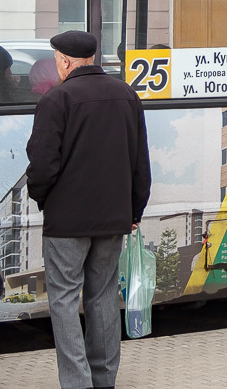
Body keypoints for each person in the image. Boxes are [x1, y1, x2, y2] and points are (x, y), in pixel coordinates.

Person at [26, 31, 151, 389]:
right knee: (103, 296)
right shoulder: (127, 95)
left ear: (64, 61)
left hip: (67, 222)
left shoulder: (56, 99)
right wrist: (134, 210)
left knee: (64, 300)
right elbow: (140, 162)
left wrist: (44, 200)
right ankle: (103, 380)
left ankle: (77, 382)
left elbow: (42, 165)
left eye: (55, 59)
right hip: (114, 218)